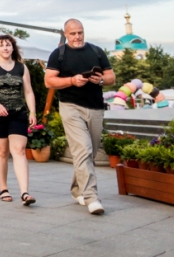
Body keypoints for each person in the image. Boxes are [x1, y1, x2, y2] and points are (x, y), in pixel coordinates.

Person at [45, 19, 115, 216]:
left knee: (88, 153)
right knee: (83, 149)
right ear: (66, 34)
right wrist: (71, 80)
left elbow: (111, 77)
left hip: (95, 107)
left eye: (80, 32)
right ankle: (92, 198)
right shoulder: (58, 54)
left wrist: (100, 80)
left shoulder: (96, 51)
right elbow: (49, 81)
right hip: (70, 106)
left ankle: (77, 190)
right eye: (73, 33)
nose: (77, 37)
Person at [0, 34, 37, 206]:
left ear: (13, 48)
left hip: (18, 113)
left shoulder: (21, 67)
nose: (5, 48)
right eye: (2, 45)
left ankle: (25, 192)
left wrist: (32, 112)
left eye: (8, 45)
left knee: (19, 150)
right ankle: (3, 188)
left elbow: (28, 91)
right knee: (2, 152)